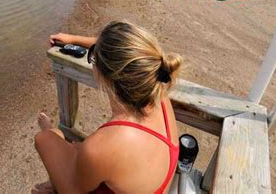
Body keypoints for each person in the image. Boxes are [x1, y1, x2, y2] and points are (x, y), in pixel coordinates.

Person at [35, 21, 181, 193]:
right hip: (156, 180)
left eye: (93, 57)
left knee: (45, 138)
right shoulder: (157, 86)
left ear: (101, 73)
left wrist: (53, 134)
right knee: (75, 150)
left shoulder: (104, 144)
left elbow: (75, 190)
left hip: (97, 170)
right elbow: (121, 50)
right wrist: (72, 39)